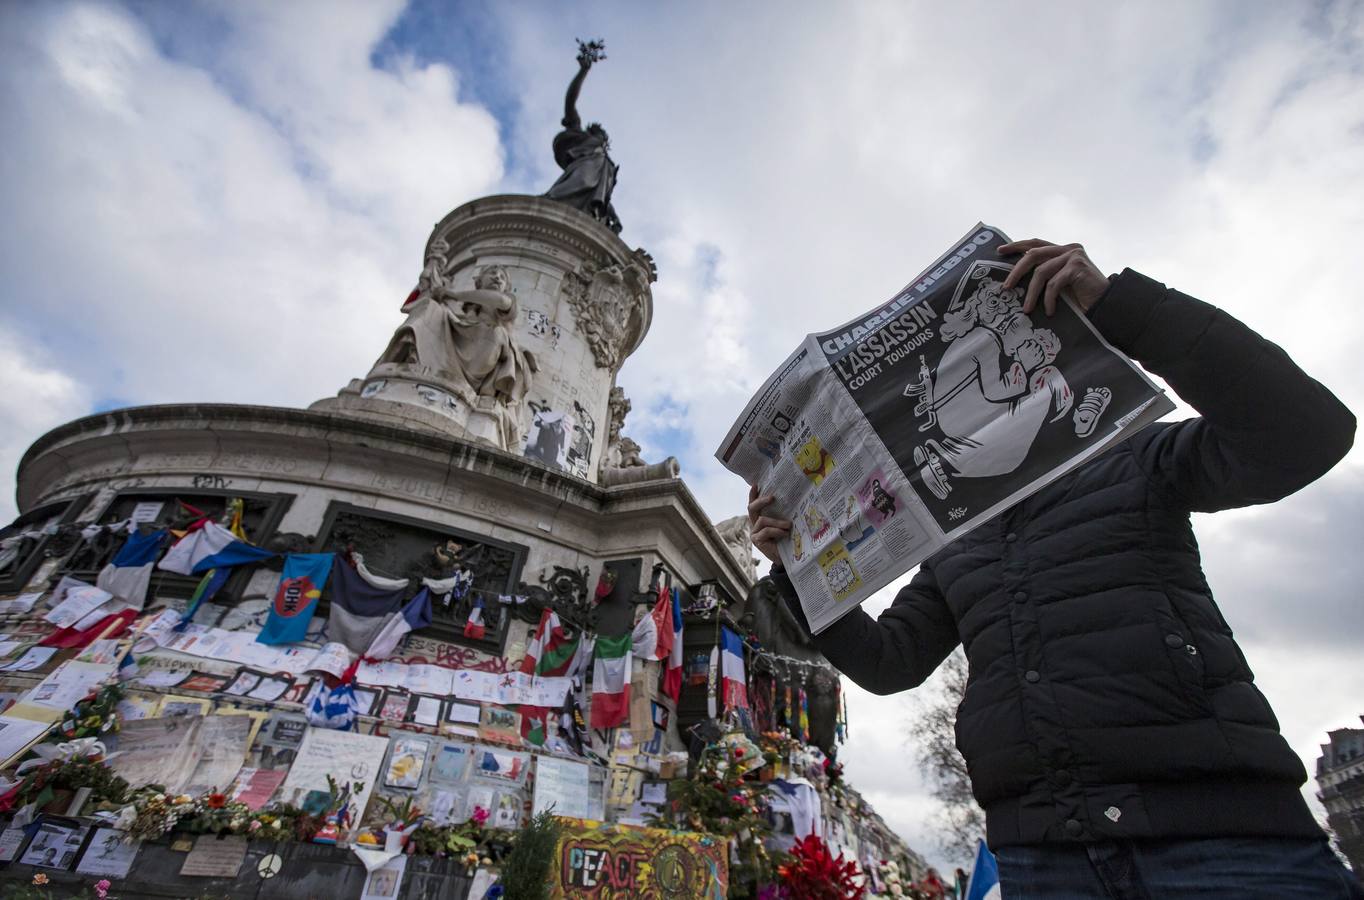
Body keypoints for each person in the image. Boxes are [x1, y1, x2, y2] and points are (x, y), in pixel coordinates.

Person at [748, 239, 1360, 898]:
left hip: (1222, 839)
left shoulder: (1131, 454)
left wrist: (1123, 307)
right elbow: (889, 661)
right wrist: (796, 566)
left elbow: (1305, 436)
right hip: (1046, 855)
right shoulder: (955, 537)